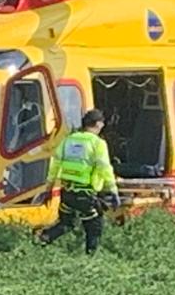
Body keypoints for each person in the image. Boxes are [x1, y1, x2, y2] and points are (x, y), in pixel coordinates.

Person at [40, 108, 120, 254]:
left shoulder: (68, 140)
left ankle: (44, 238)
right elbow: (104, 167)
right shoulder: (97, 143)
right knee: (94, 226)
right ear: (97, 124)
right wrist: (113, 190)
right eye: (102, 123)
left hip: (68, 192)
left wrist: (49, 186)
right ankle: (90, 258)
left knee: (66, 223)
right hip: (86, 192)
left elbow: (55, 163)